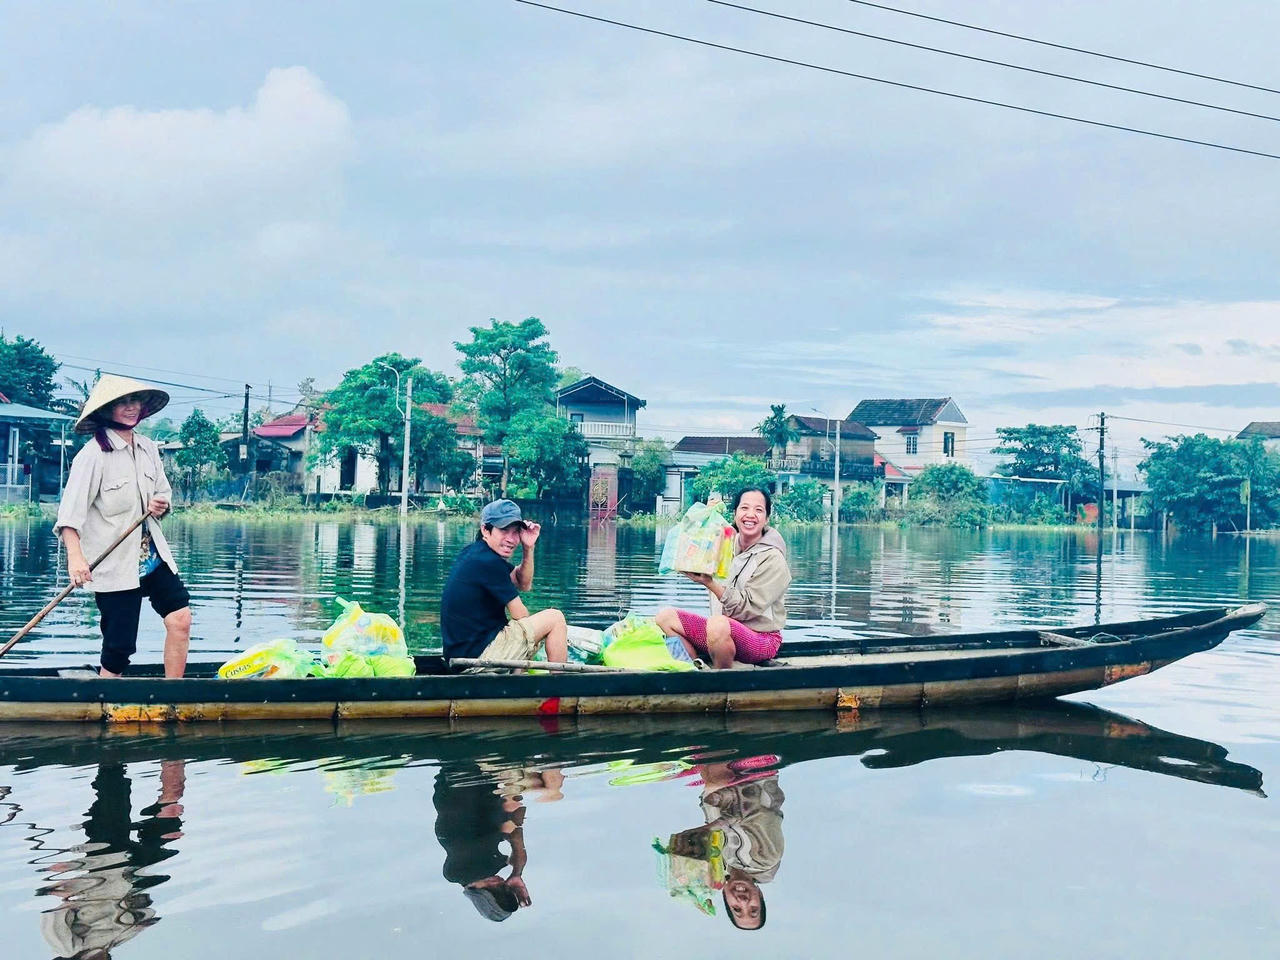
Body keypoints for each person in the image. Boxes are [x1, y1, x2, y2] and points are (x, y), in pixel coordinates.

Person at [54, 375, 191, 679]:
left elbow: (162, 494)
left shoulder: (148, 448)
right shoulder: (91, 456)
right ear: (107, 410)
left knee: (180, 618)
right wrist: (76, 560)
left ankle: (173, 696)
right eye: (122, 402)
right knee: (119, 649)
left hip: (152, 557)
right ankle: (106, 700)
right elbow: (69, 519)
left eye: (134, 401)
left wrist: (160, 505)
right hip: (114, 564)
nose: (130, 408)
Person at [656, 487, 791, 669]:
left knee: (718, 624)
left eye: (758, 510)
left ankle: (722, 679)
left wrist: (710, 584)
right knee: (665, 617)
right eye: (744, 508)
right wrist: (706, 518)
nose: (750, 515)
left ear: (767, 519)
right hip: (719, 632)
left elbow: (746, 609)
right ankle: (693, 670)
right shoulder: (725, 543)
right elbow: (695, 545)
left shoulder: (773, 558)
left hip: (761, 640)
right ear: (735, 513)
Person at [439, 499, 568, 668]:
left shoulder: (475, 553)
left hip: (464, 657)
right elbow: (521, 615)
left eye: (516, 532)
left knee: (523, 630)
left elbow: (523, 583)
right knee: (555, 618)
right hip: (476, 659)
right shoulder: (488, 562)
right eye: (504, 530)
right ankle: (559, 690)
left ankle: (515, 673)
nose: (511, 539)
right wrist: (540, 635)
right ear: (485, 530)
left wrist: (528, 548)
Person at [661, 756, 785, 931]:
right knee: (716, 779)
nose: (743, 901)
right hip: (754, 768)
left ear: (726, 898)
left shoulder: (721, 866)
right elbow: (753, 812)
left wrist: (690, 882)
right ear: (760, 895)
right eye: (753, 909)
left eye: (736, 909)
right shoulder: (766, 859)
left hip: (716, 776)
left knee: (664, 771)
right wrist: (710, 828)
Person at [432, 759, 564, 922]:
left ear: (475, 890)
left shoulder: (471, 861)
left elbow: (513, 804)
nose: (500, 883)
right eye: (504, 889)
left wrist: (517, 860)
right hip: (463, 769)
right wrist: (517, 871)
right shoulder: (474, 854)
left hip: (472, 764)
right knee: (542, 785)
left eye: (494, 890)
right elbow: (514, 812)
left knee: (552, 791)